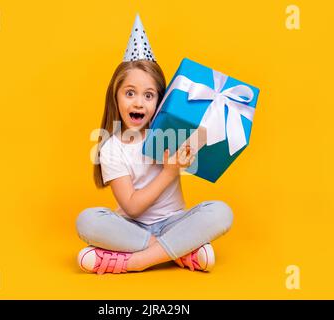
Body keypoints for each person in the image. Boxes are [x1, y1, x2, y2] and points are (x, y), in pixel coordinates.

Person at [76, 14, 233, 275]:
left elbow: (209, 134)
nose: (138, 103)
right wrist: (169, 172)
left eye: (148, 95)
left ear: (161, 100)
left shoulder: (170, 132)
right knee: (87, 221)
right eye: (130, 93)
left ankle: (134, 261)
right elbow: (132, 206)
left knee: (221, 212)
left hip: (175, 223)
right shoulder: (111, 147)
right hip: (131, 228)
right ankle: (180, 252)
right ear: (115, 97)